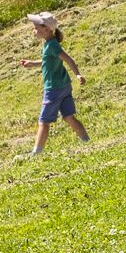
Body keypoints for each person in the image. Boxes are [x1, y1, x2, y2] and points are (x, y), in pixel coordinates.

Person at [27, 12, 90, 153]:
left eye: (36, 27)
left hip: (54, 88)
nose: (34, 30)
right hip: (64, 86)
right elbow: (48, 61)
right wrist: (33, 63)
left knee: (44, 122)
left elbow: (68, 59)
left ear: (47, 29)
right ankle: (86, 141)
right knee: (68, 117)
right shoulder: (49, 45)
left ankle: (36, 153)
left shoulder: (52, 46)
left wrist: (78, 74)